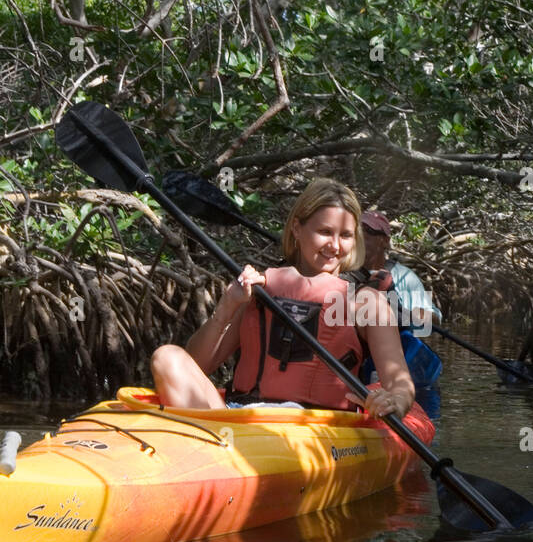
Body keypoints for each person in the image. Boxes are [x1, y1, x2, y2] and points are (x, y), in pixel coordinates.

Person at [149, 178, 415, 418]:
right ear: (297, 229)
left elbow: (400, 383)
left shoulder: (365, 303)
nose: (335, 246)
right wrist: (227, 308)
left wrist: (396, 401)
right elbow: (198, 367)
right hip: (239, 421)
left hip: (315, 431)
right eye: (324, 232)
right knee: (167, 356)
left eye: (345, 235)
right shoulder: (262, 290)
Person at [360, 211, 441, 334]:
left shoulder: (406, 277)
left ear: (385, 241)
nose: (361, 236)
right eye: (357, 231)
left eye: (369, 231)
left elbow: (435, 318)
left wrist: (419, 315)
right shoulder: (342, 272)